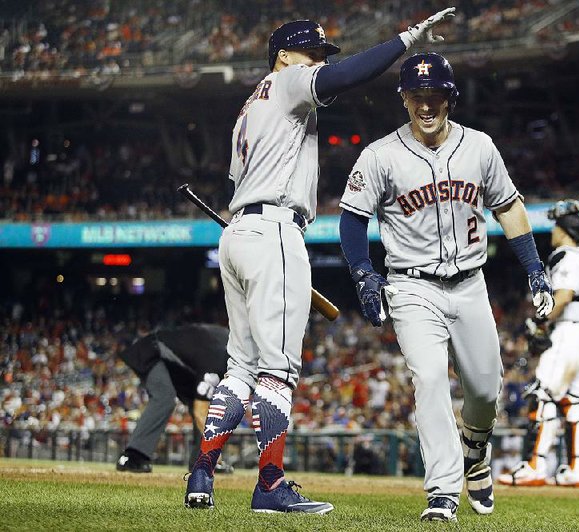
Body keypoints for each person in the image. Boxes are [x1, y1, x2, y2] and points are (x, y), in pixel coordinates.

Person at [184, 10, 459, 515]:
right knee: (278, 370)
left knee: (239, 367)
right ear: (285, 57)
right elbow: (346, 76)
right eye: (311, 54)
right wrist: (404, 40)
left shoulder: (249, 108)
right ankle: (270, 484)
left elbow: (237, 178)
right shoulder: (286, 81)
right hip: (275, 232)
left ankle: (202, 473)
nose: (318, 63)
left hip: (239, 232)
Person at [337, 52, 554, 522]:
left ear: (449, 97)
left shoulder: (479, 147)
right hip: (412, 288)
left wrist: (534, 266)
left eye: (434, 95)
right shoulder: (380, 155)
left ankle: (476, 453)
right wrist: (361, 270)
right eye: (417, 96)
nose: (426, 105)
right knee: (430, 378)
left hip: (471, 284)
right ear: (405, 99)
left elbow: (510, 207)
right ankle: (442, 491)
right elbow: (352, 219)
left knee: (484, 388)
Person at [498, 199, 579, 488]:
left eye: (556, 226)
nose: (553, 232)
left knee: (543, 395)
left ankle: (535, 465)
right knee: (575, 401)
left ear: (565, 229)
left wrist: (541, 321)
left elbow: (564, 295)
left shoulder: (567, 257)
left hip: (568, 331)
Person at [116, 324, 229, 474]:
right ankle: (133, 456)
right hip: (153, 351)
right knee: (165, 397)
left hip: (179, 365)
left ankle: (202, 462)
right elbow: (200, 409)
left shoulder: (231, 348)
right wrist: (214, 448)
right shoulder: (218, 358)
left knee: (213, 404)